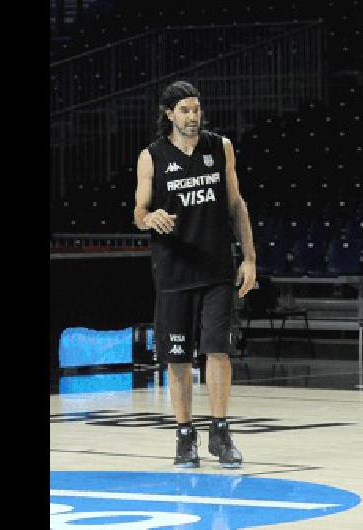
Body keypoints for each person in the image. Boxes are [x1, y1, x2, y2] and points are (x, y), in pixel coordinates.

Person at [133, 80, 257, 468]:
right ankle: (184, 435)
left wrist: (250, 258)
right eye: (184, 110)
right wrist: (150, 217)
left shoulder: (220, 148)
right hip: (172, 272)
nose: (192, 116)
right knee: (178, 358)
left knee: (217, 350)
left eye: (196, 109)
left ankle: (221, 432)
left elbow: (237, 205)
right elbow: (138, 212)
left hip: (217, 269)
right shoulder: (151, 156)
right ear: (169, 114)